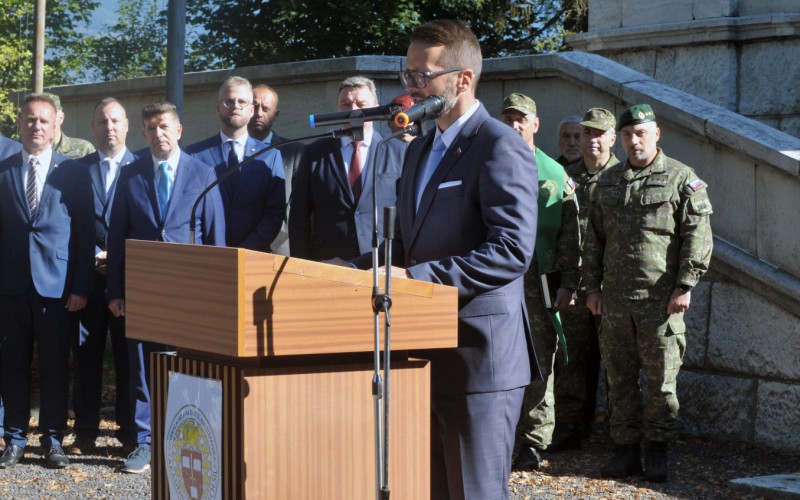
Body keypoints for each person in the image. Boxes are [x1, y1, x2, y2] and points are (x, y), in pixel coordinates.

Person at [353, 20, 539, 499]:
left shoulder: (500, 146)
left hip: (480, 361)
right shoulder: (416, 150)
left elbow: (511, 250)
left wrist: (414, 278)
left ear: (463, 79)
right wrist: (356, 271)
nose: (412, 86)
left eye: (423, 74)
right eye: (408, 74)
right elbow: (410, 244)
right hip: (422, 354)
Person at [583, 104, 713, 482]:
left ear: (657, 134)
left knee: (660, 382)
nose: (633, 141)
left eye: (640, 133)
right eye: (627, 135)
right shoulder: (609, 182)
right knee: (619, 380)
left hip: (661, 303)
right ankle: (625, 451)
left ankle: (657, 451)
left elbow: (697, 236)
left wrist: (685, 285)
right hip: (615, 303)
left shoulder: (680, 178)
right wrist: (592, 287)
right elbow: (592, 239)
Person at [106, 101, 226, 474]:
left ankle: (190, 441)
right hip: (142, 291)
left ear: (179, 130)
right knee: (142, 370)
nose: (158, 134)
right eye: (151, 128)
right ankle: (145, 443)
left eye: (164, 127)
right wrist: (115, 291)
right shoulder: (130, 176)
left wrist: (215, 296)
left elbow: (217, 240)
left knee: (188, 367)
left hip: (188, 294)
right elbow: (117, 238)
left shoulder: (204, 173)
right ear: (143, 133)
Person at [0, 93, 95, 468]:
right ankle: (15, 438)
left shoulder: (73, 171)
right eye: (29, 120)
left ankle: (52, 439)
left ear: (56, 125)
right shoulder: (3, 170)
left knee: (56, 367)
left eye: (43, 120)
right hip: (9, 288)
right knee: (12, 365)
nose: (36, 126)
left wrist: (80, 287)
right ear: (20, 124)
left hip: (57, 289)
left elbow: (85, 235)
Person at [498, 93, 581, 471]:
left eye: (522, 118)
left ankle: (532, 441)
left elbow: (569, 234)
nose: (515, 124)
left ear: (535, 124)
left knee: (539, 359)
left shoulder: (555, 173)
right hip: (495, 279)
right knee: (497, 357)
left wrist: (570, 282)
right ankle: (500, 433)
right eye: (508, 118)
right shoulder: (486, 163)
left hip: (539, 279)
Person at [68, 98, 137, 456]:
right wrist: (94, 258)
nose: (108, 127)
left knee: (128, 360)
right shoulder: (76, 170)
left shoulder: (142, 168)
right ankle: (85, 433)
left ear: (126, 125)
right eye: (101, 122)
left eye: (115, 121)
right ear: (93, 128)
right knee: (86, 358)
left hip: (127, 283)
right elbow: (72, 227)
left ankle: (129, 433)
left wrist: (119, 257)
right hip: (88, 283)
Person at [552, 108, 620, 451]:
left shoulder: (624, 176)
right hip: (577, 282)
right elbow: (563, 231)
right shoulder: (567, 175)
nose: (589, 141)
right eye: (584, 134)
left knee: (617, 360)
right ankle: (570, 426)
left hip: (614, 285)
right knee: (572, 358)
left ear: (611, 138)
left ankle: (621, 432)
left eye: (596, 134)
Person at [289, 76, 406, 261]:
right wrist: (301, 268)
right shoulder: (315, 153)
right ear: (337, 108)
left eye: (361, 103)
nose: (354, 110)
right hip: (329, 262)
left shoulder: (398, 151)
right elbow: (298, 218)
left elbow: (408, 213)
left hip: (383, 261)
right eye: (345, 104)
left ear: (376, 106)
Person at [186, 76, 285, 251]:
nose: (235, 106)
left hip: (253, 255)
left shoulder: (270, 155)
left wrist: (246, 249)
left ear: (251, 109)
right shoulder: (195, 155)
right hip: (208, 256)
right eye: (229, 101)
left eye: (242, 101)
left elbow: (275, 213)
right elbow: (190, 209)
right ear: (218, 108)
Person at [247, 83, 306, 256]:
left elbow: (300, 208)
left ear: (276, 114)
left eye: (265, 108)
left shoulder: (294, 152)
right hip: (236, 244)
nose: (259, 113)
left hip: (280, 247)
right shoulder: (229, 151)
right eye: (254, 107)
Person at [44, 92, 96, 159]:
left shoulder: (83, 149)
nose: (49, 121)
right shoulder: (29, 150)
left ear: (61, 118)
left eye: (52, 116)